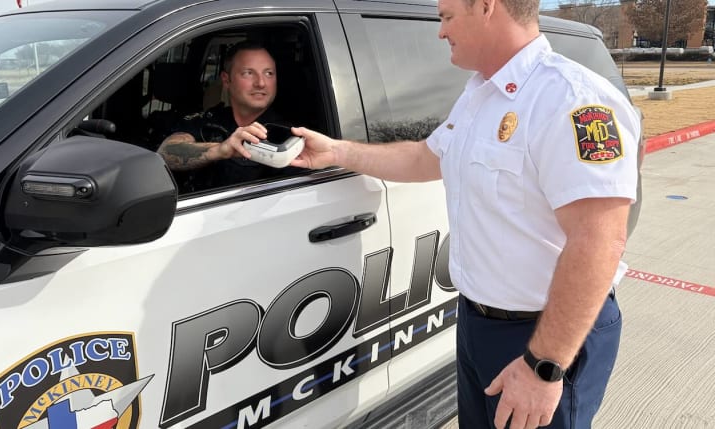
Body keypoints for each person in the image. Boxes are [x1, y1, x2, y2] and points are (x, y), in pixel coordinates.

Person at [289, 0, 640, 427]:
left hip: (541, 340)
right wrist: (337, 152)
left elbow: (599, 241)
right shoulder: (480, 93)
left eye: (447, 16)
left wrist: (543, 366)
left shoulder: (571, 100)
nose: (440, 31)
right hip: (478, 323)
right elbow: (425, 157)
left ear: (487, 7)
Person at [156, 40, 290, 188]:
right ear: (226, 80)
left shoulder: (286, 137)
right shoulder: (208, 120)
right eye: (248, 73)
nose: (261, 83)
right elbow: (166, 152)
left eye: (269, 73)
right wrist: (221, 149)